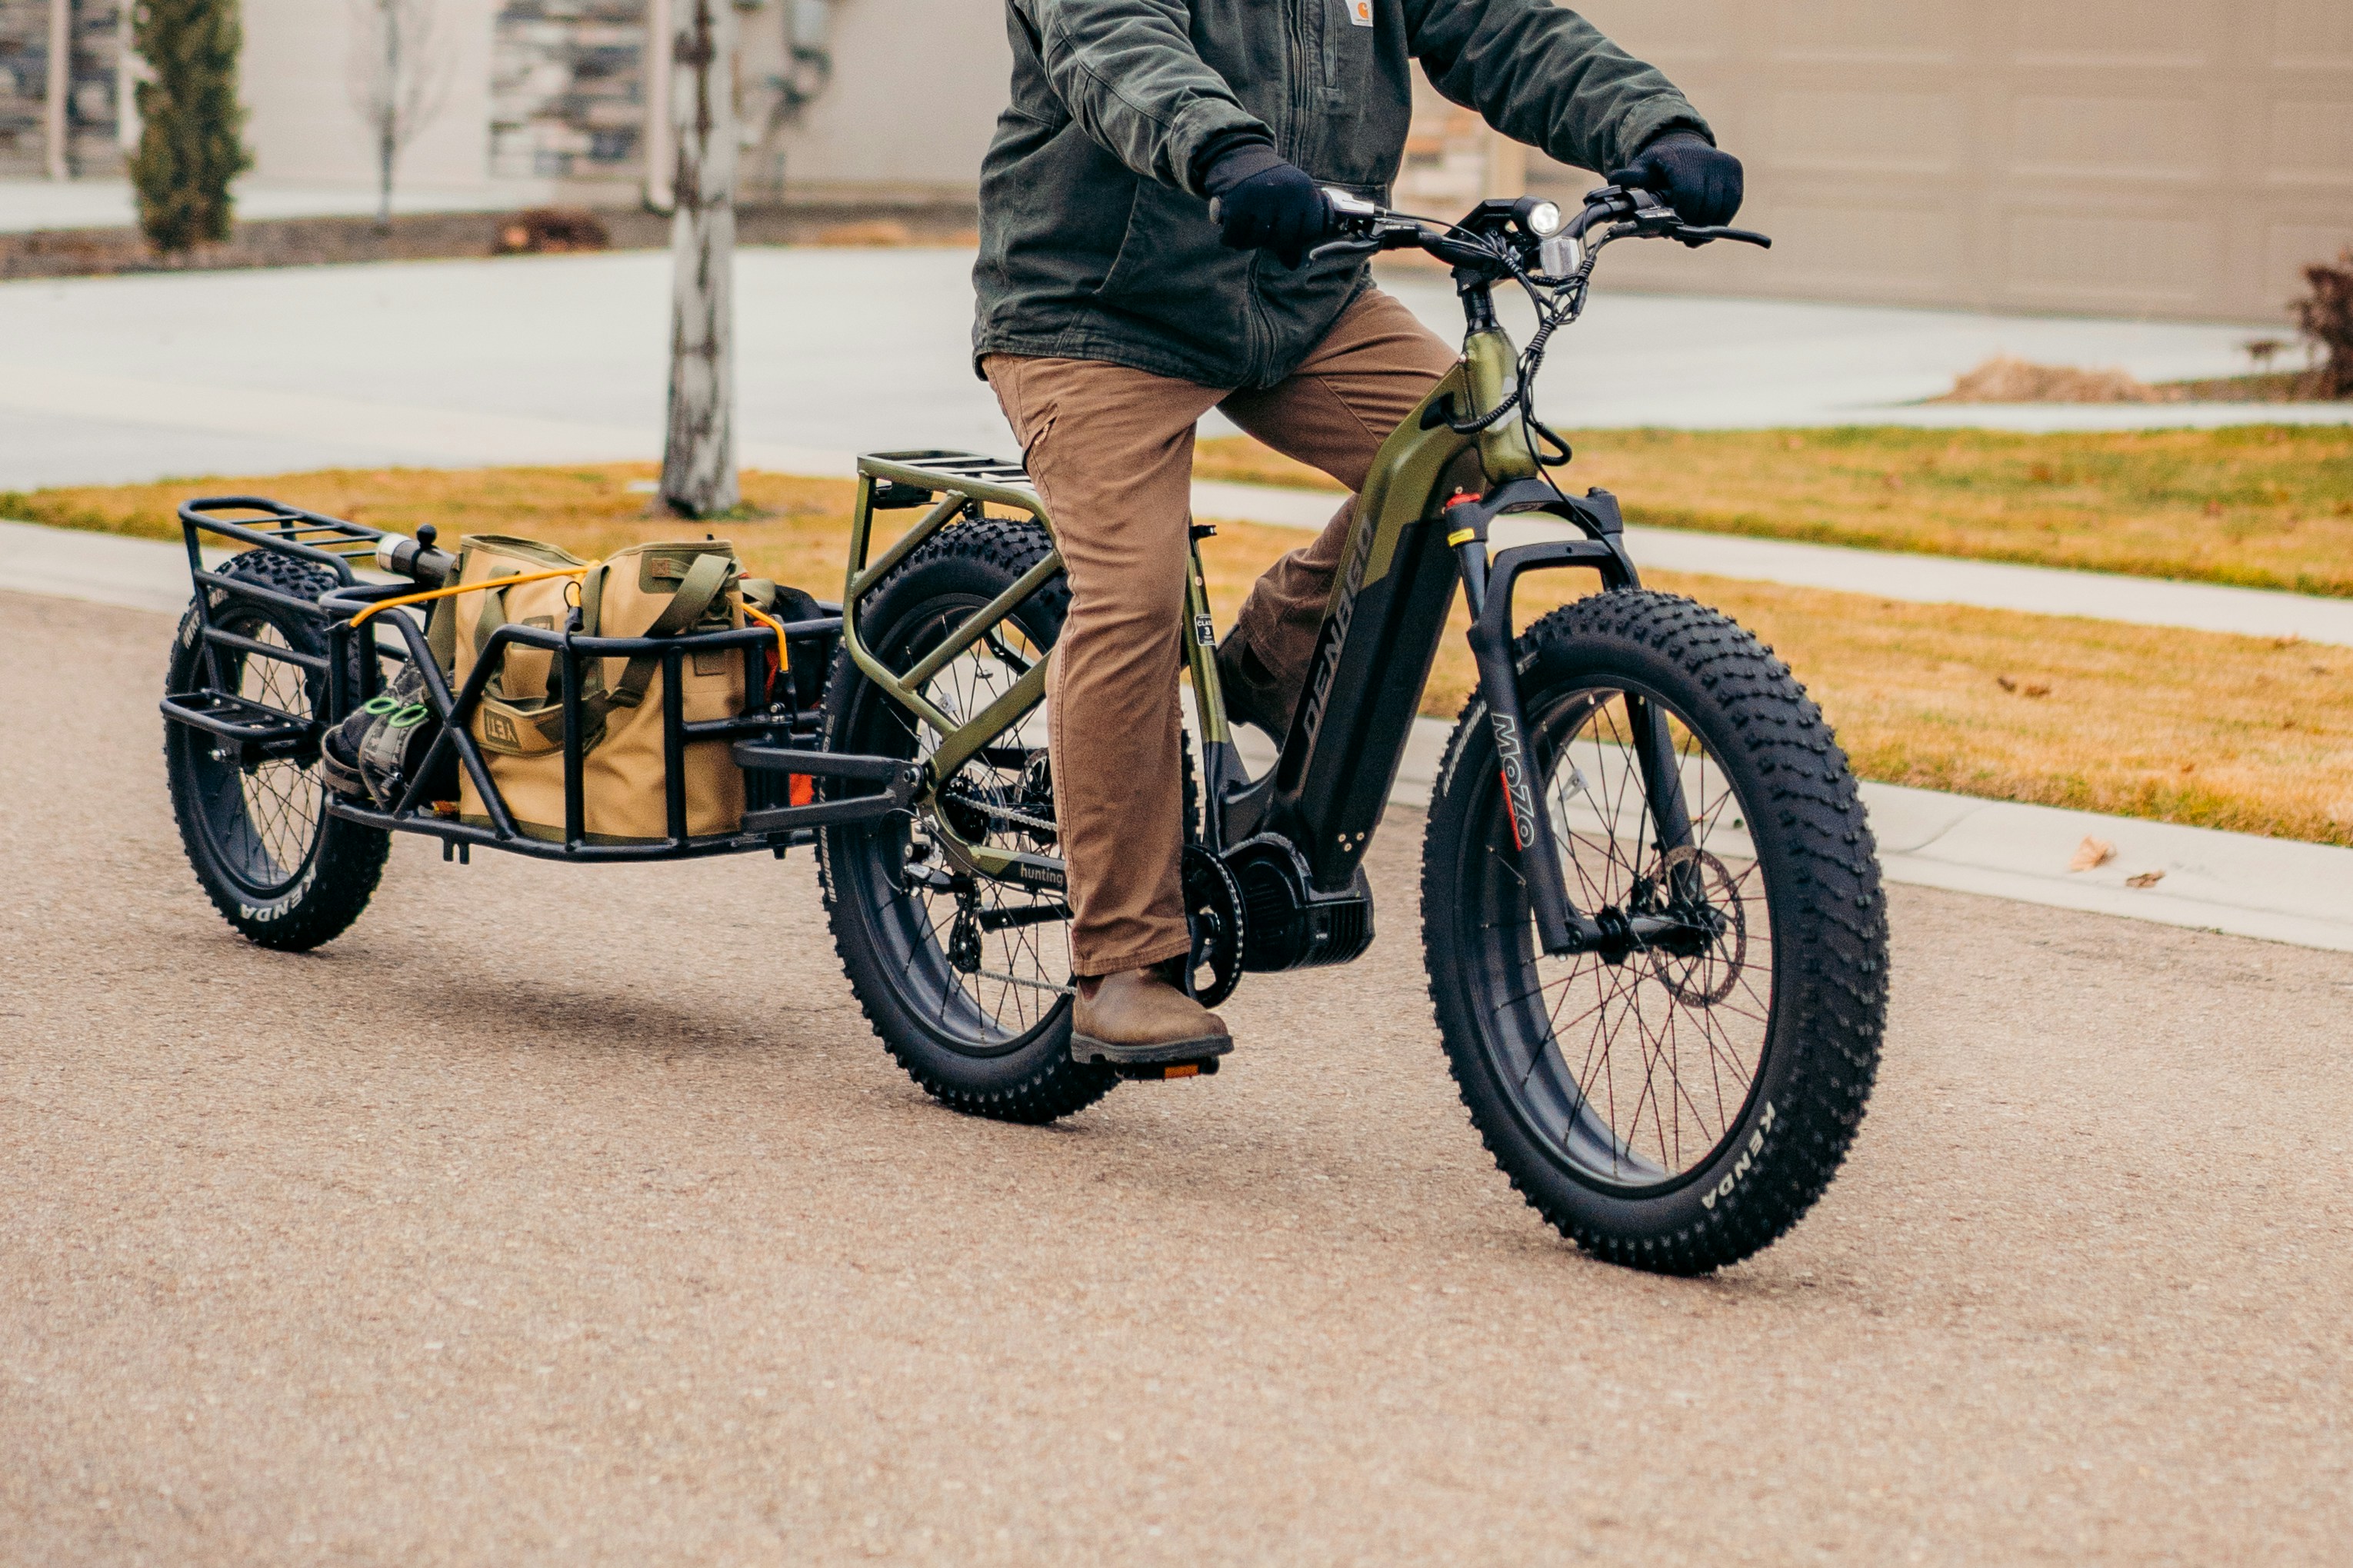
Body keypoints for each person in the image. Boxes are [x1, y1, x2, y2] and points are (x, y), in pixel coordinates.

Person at [972, 0, 1742, 1064]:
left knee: (1470, 450)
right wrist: (1226, 149)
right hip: (1094, 307)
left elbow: (1501, 30)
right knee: (1137, 593)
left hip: (1303, 295)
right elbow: (1112, 42)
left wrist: (1656, 130)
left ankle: (1276, 656)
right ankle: (1124, 961)